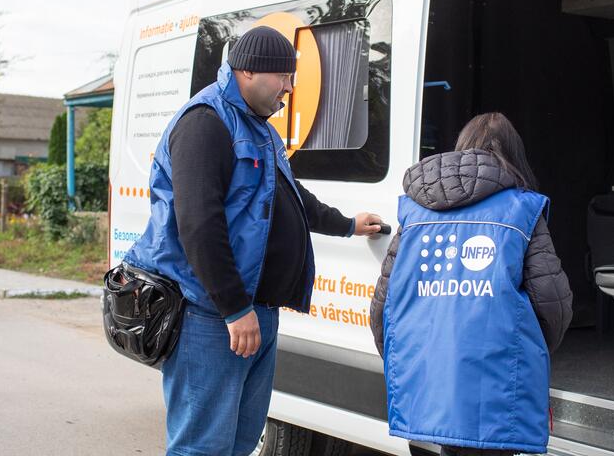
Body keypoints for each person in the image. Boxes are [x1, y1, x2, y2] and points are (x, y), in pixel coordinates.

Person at [123, 25, 383, 456]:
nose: (289, 87)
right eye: (282, 77)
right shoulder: (205, 124)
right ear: (246, 72)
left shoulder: (259, 126)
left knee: (241, 443)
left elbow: (289, 197)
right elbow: (198, 225)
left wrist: (347, 224)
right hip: (210, 316)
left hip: (255, 313)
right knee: (202, 446)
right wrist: (233, 307)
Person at [370, 112, 572, 456]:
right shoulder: (522, 209)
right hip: (492, 396)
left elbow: (382, 309)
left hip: (424, 390)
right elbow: (554, 306)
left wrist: (410, 360)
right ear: (515, 155)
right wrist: (523, 352)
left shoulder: (415, 213)